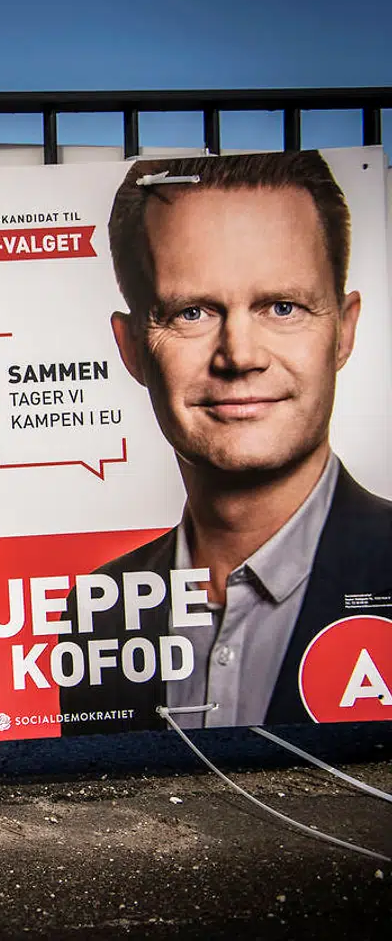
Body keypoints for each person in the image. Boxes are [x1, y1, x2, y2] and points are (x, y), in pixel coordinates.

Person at [60, 150, 392, 733]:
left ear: (345, 331)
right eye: (192, 312)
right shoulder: (96, 607)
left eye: (282, 307)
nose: (239, 355)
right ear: (131, 347)